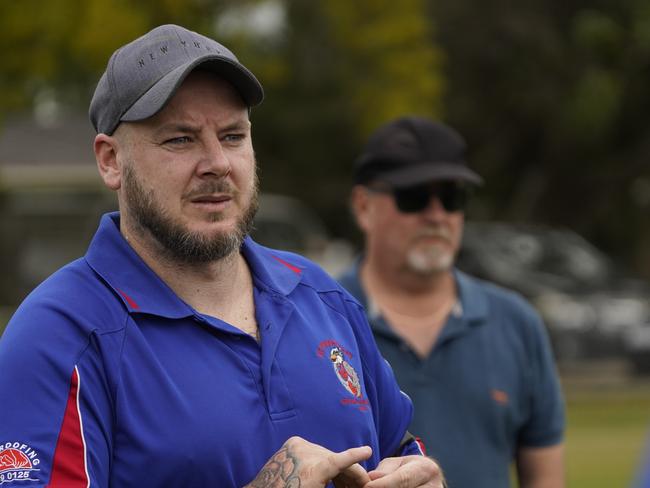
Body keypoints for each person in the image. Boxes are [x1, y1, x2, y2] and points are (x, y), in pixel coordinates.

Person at [0, 26, 444, 488]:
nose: (217, 162)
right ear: (111, 160)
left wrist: (426, 478)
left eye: (232, 136)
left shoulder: (322, 297)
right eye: (180, 140)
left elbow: (401, 450)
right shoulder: (58, 337)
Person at [338, 116, 566, 488]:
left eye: (452, 197)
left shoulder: (518, 323)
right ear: (363, 206)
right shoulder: (318, 319)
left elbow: (546, 478)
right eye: (413, 197)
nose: (437, 215)